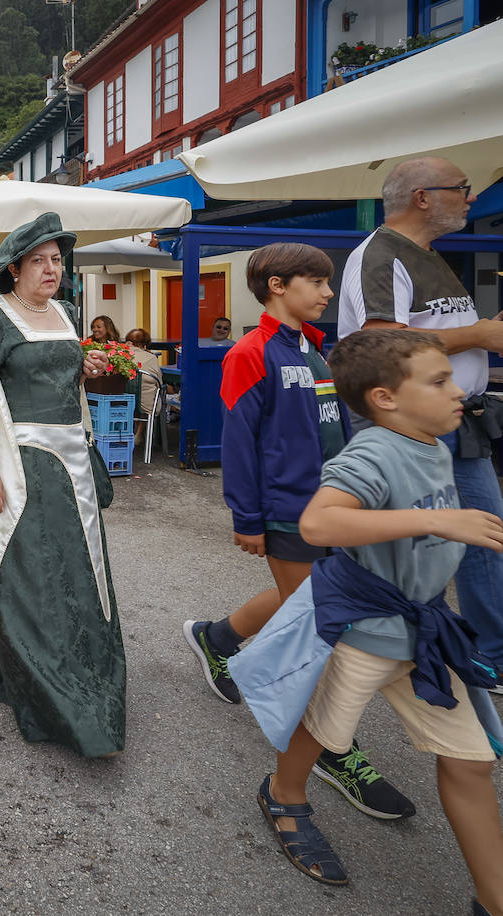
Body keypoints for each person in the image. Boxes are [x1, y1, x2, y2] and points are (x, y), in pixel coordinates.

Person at [228, 329, 503, 913]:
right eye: (439, 381)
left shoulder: (431, 442)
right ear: (384, 398)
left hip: (424, 631)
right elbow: (318, 527)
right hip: (364, 630)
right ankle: (284, 794)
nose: (459, 391)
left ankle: (494, 897)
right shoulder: (372, 452)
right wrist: (440, 524)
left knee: (471, 763)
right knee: (322, 730)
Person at [185, 243, 413, 819]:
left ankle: (216, 640)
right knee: (322, 629)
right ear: (280, 286)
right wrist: (248, 518)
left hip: (333, 508)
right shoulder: (250, 351)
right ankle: (331, 748)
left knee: (307, 603)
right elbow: (239, 441)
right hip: (287, 513)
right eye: (318, 282)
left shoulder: (314, 347)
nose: (329, 293)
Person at [0, 211, 126, 758]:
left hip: (73, 457)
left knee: (80, 570)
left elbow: (62, 382)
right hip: (25, 461)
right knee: (32, 573)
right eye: (39, 260)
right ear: (14, 269)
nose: (52, 269)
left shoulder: (67, 312)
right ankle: (46, 687)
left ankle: (87, 668)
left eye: (57, 259)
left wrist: (81, 369)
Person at [338, 156, 503, 685]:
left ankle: (488, 655)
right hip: (406, 427)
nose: (471, 197)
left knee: (482, 537)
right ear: (423, 197)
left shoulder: (425, 254)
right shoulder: (381, 254)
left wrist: (483, 336)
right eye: (463, 187)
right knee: (420, 546)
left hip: (457, 420)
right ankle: (415, 653)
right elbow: (380, 342)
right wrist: (479, 335)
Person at [123, 328, 162, 416]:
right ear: (145, 346)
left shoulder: (119, 355)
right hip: (145, 407)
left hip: (122, 404)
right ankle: (141, 429)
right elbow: (159, 382)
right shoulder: (151, 358)